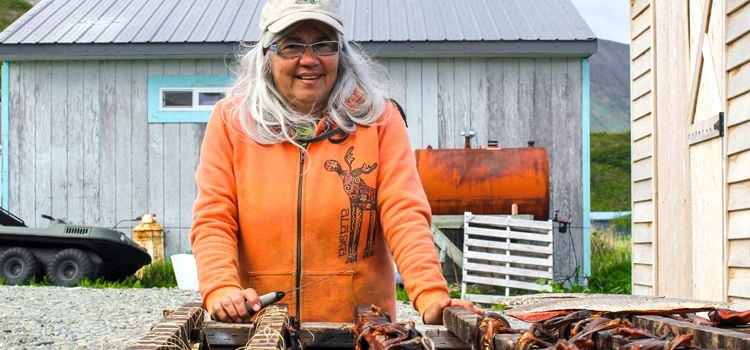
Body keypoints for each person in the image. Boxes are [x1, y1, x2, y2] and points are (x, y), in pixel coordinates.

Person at [190, 0, 484, 325]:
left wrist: (430, 294)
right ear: (267, 53)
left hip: (359, 329)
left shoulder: (379, 120)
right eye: (291, 46)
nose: (309, 59)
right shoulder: (232, 121)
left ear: (341, 52)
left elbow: (404, 212)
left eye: (324, 44)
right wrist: (221, 288)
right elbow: (214, 218)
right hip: (258, 329)